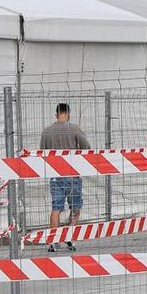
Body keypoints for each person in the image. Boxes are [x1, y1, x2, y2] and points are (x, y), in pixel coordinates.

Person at [37, 102, 93, 248]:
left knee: (56, 208)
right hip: (72, 174)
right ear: (68, 114)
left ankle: (53, 241)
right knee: (75, 207)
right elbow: (87, 148)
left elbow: (42, 151)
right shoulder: (74, 129)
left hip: (55, 175)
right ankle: (69, 236)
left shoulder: (47, 131)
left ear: (56, 114)